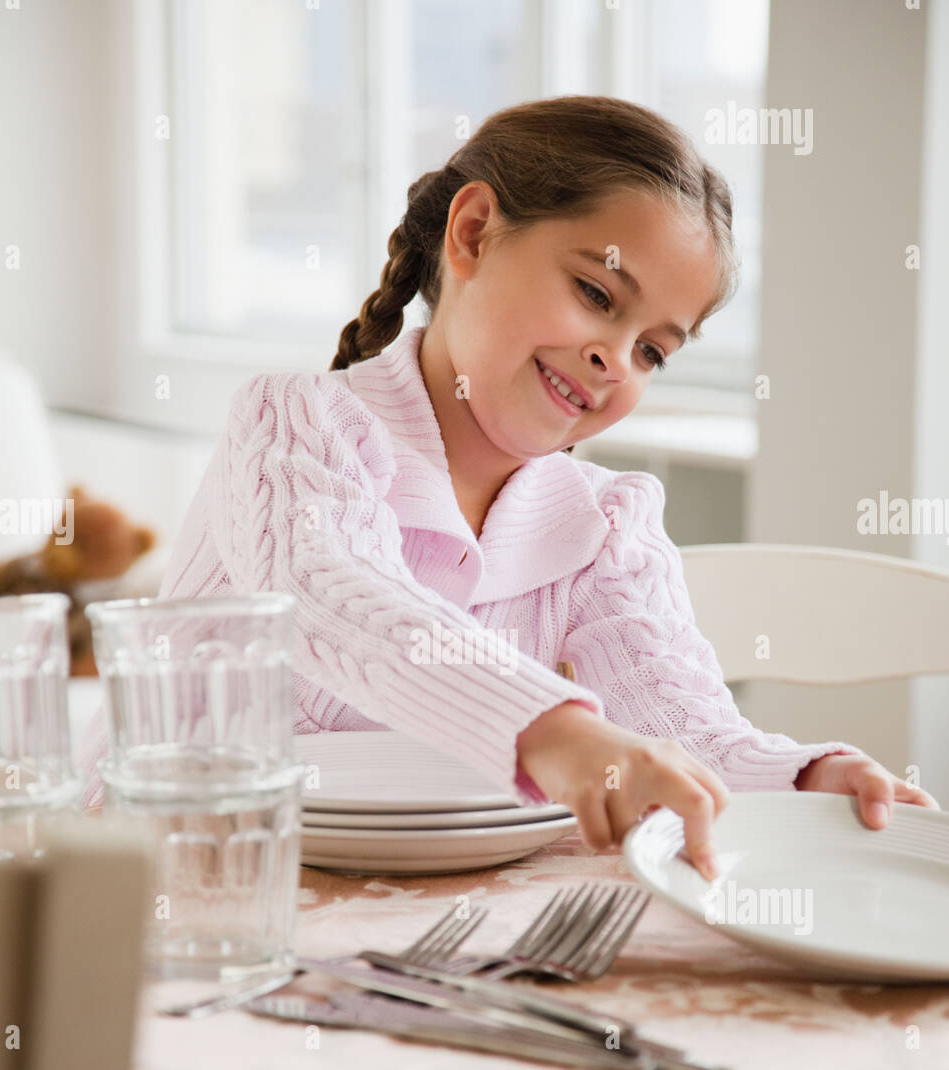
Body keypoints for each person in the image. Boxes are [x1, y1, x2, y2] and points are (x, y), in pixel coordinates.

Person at [77, 96, 938, 875]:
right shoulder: (295, 423)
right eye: (597, 293)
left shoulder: (606, 522)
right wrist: (559, 732)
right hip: (183, 883)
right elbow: (333, 599)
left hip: (449, 908)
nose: (614, 359)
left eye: (651, 350)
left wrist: (802, 776)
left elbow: (679, 720)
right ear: (475, 231)